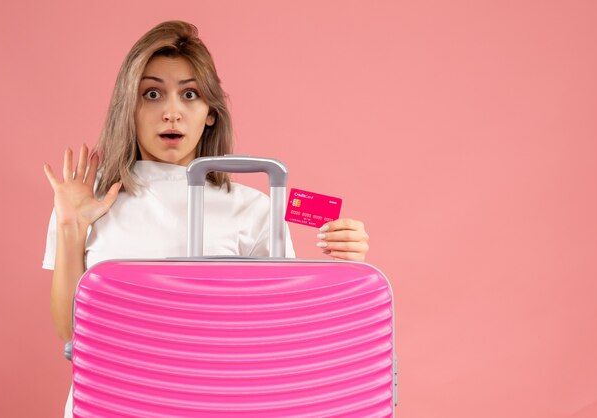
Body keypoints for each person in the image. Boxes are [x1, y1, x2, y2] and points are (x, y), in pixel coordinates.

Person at [42, 20, 370, 417]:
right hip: (112, 405)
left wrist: (345, 265)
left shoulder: (254, 206)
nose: (172, 113)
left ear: (210, 112)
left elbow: (280, 334)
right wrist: (70, 225)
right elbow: (71, 335)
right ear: (129, 106)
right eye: (152, 93)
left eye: (190, 94)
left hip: (221, 405)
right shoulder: (88, 201)